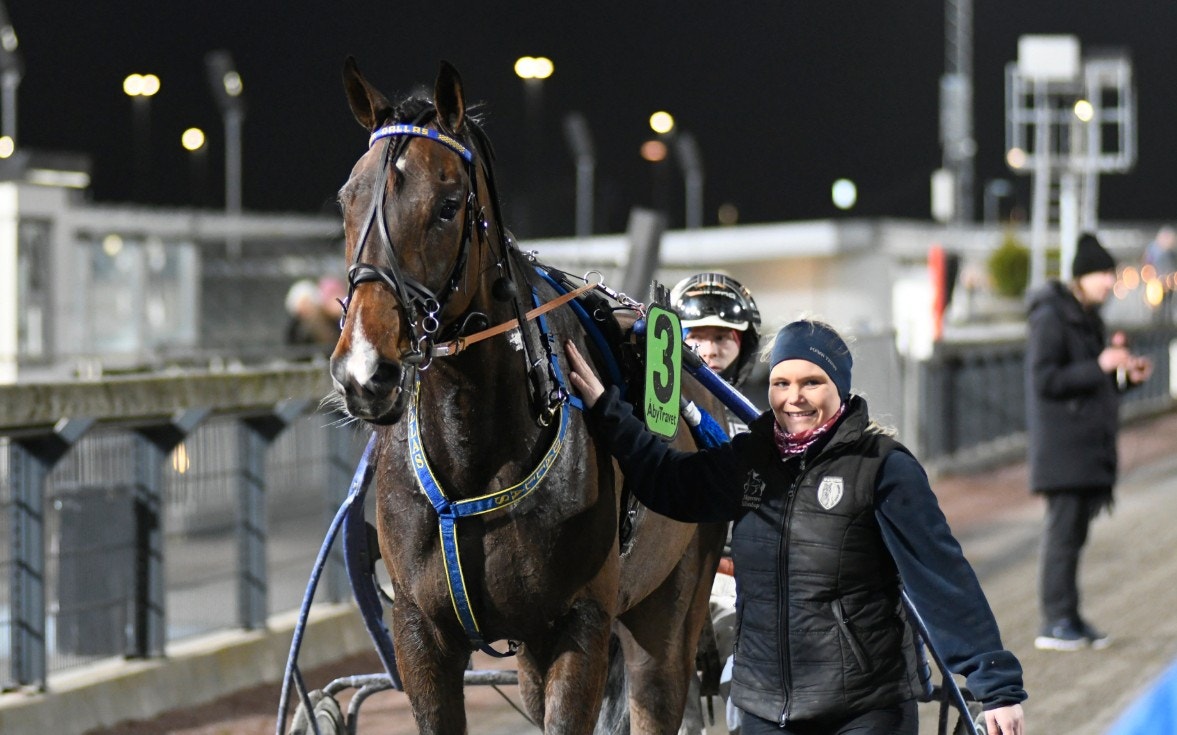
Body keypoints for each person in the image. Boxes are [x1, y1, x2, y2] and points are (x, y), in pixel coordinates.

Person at [564, 320, 1027, 735]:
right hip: (766, 708)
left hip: (866, 709)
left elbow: (941, 577)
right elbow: (670, 483)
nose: (794, 397)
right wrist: (607, 410)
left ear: (840, 388)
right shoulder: (750, 459)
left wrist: (996, 688)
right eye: (781, 382)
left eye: (812, 382)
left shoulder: (883, 467)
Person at [1026, 232, 1153, 651]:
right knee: (1062, 535)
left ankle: (1071, 617)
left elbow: (1093, 384)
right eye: (1102, 274)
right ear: (1081, 277)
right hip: (1063, 448)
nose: (1108, 283)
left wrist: (1123, 377)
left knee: (1074, 537)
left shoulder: (1087, 317)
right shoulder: (1051, 316)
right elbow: (1045, 379)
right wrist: (1099, 363)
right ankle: (1053, 621)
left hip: (1083, 447)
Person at [670, 273, 760, 734]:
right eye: (697, 336)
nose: (710, 348)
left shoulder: (769, 410)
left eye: (723, 336)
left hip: (735, 576)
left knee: (744, 660)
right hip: (667, 578)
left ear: (743, 341)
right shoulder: (655, 412)